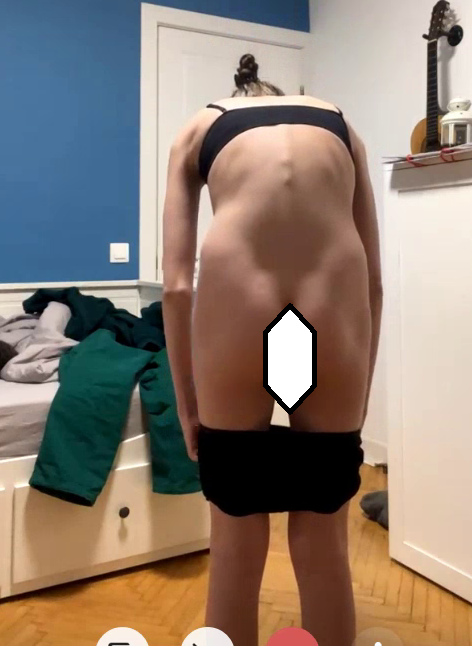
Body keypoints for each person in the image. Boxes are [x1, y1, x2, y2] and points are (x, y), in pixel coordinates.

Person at [161, 53, 383, 646]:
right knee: (324, 542)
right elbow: (374, 282)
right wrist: (360, 394)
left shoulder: (198, 129)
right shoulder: (341, 126)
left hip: (239, 319)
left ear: (238, 99)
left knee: (235, 542)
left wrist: (187, 406)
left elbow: (176, 288)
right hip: (328, 321)